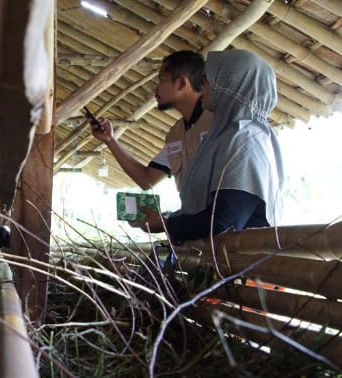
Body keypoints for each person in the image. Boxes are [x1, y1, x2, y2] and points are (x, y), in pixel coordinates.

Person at [135, 49, 283, 243]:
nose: (201, 85)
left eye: (207, 80)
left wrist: (165, 224)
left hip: (243, 266)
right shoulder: (226, 136)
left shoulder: (246, 140)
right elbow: (213, 210)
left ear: (228, 83)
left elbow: (224, 222)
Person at [91, 51, 213, 192]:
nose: (156, 89)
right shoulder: (176, 134)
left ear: (181, 83)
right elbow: (147, 179)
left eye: (162, 80)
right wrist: (110, 140)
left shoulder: (219, 122)